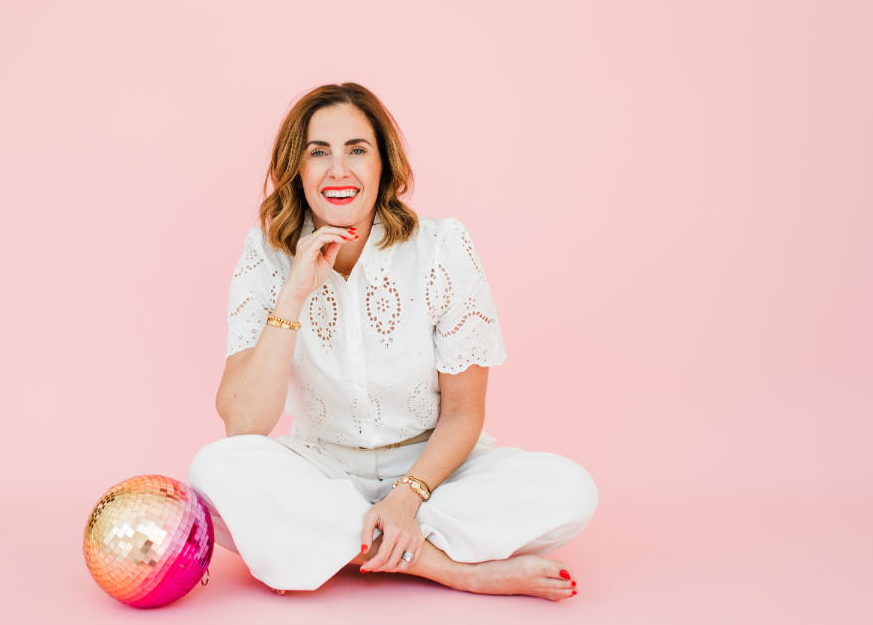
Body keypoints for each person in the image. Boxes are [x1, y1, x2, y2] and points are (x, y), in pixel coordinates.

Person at [189, 83, 597, 600]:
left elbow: (464, 412)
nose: (339, 170)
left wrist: (407, 498)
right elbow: (243, 426)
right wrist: (293, 294)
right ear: (297, 167)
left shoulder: (441, 246)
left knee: (572, 490)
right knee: (212, 472)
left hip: (433, 471)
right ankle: (447, 567)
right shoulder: (264, 254)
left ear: (383, 164)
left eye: (357, 150)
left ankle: (345, 542)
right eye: (319, 153)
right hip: (322, 467)